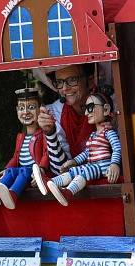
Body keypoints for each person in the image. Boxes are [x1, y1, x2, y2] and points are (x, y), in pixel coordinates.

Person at [39, 89, 121, 206]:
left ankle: (68, 193)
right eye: (86, 108)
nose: (87, 113)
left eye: (91, 107)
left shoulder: (108, 132)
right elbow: (87, 153)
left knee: (83, 172)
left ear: (106, 109)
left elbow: (117, 148)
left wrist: (115, 164)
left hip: (103, 167)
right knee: (74, 170)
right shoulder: (93, 134)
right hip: (93, 165)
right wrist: (74, 161)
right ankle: (50, 183)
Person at [0, 87, 49, 209]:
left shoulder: (44, 134)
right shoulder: (20, 137)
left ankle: (13, 195)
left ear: (40, 109)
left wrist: (41, 170)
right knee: (11, 171)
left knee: (23, 172)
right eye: (21, 108)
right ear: (16, 111)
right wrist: (6, 169)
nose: (25, 112)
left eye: (31, 107)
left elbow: (46, 153)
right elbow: (16, 157)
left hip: (32, 174)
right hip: (22, 170)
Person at [33, 63, 96, 191]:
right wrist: (50, 134)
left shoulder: (107, 104)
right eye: (60, 82)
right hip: (73, 184)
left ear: (90, 80)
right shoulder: (54, 111)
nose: (65, 88)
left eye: (72, 80)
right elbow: (60, 170)